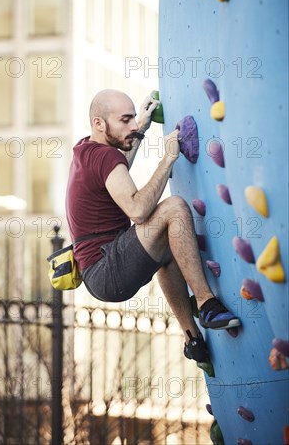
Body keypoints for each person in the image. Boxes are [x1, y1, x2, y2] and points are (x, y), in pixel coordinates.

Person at [65, 89, 241, 363]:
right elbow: (137, 210)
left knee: (170, 244)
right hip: (107, 266)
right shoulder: (104, 157)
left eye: (134, 118)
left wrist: (141, 131)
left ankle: (192, 339)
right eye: (125, 120)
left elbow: (118, 168)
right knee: (174, 208)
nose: (133, 125)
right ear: (99, 123)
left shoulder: (87, 150)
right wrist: (168, 157)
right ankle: (207, 303)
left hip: (98, 273)